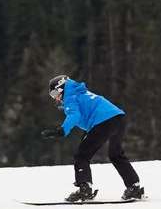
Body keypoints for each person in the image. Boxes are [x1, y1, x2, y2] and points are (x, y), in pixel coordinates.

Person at [40, 75, 143, 203]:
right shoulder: (79, 92)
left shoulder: (70, 97)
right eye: (52, 95)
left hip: (103, 122)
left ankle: (85, 189)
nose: (55, 97)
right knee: (116, 155)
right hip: (118, 119)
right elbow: (91, 113)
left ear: (61, 88)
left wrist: (62, 130)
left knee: (81, 156)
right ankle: (134, 187)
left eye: (55, 93)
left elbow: (75, 115)